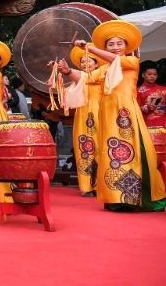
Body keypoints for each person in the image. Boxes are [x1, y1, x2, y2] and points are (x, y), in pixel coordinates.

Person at [61, 20, 165, 211]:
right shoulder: (104, 69)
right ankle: (115, 198)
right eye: (111, 44)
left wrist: (90, 48)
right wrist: (68, 72)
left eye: (119, 44)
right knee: (111, 153)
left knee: (129, 151)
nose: (115, 47)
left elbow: (115, 60)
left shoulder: (131, 62)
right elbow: (87, 78)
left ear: (127, 47)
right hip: (107, 113)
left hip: (125, 111)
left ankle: (135, 198)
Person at [60, 46, 105, 196]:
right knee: (84, 149)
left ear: (97, 63)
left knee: (100, 147)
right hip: (82, 115)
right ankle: (86, 186)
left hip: (98, 113)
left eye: (89, 61)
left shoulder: (100, 74)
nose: (85, 64)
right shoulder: (78, 79)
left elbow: (84, 77)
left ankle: (100, 185)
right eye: (82, 61)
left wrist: (68, 72)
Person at [137, 63, 166, 127]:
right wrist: (146, 107)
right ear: (143, 75)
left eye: (155, 74)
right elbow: (136, 110)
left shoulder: (164, 89)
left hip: (164, 123)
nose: (152, 76)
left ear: (157, 76)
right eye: (149, 74)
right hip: (147, 124)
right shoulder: (137, 91)